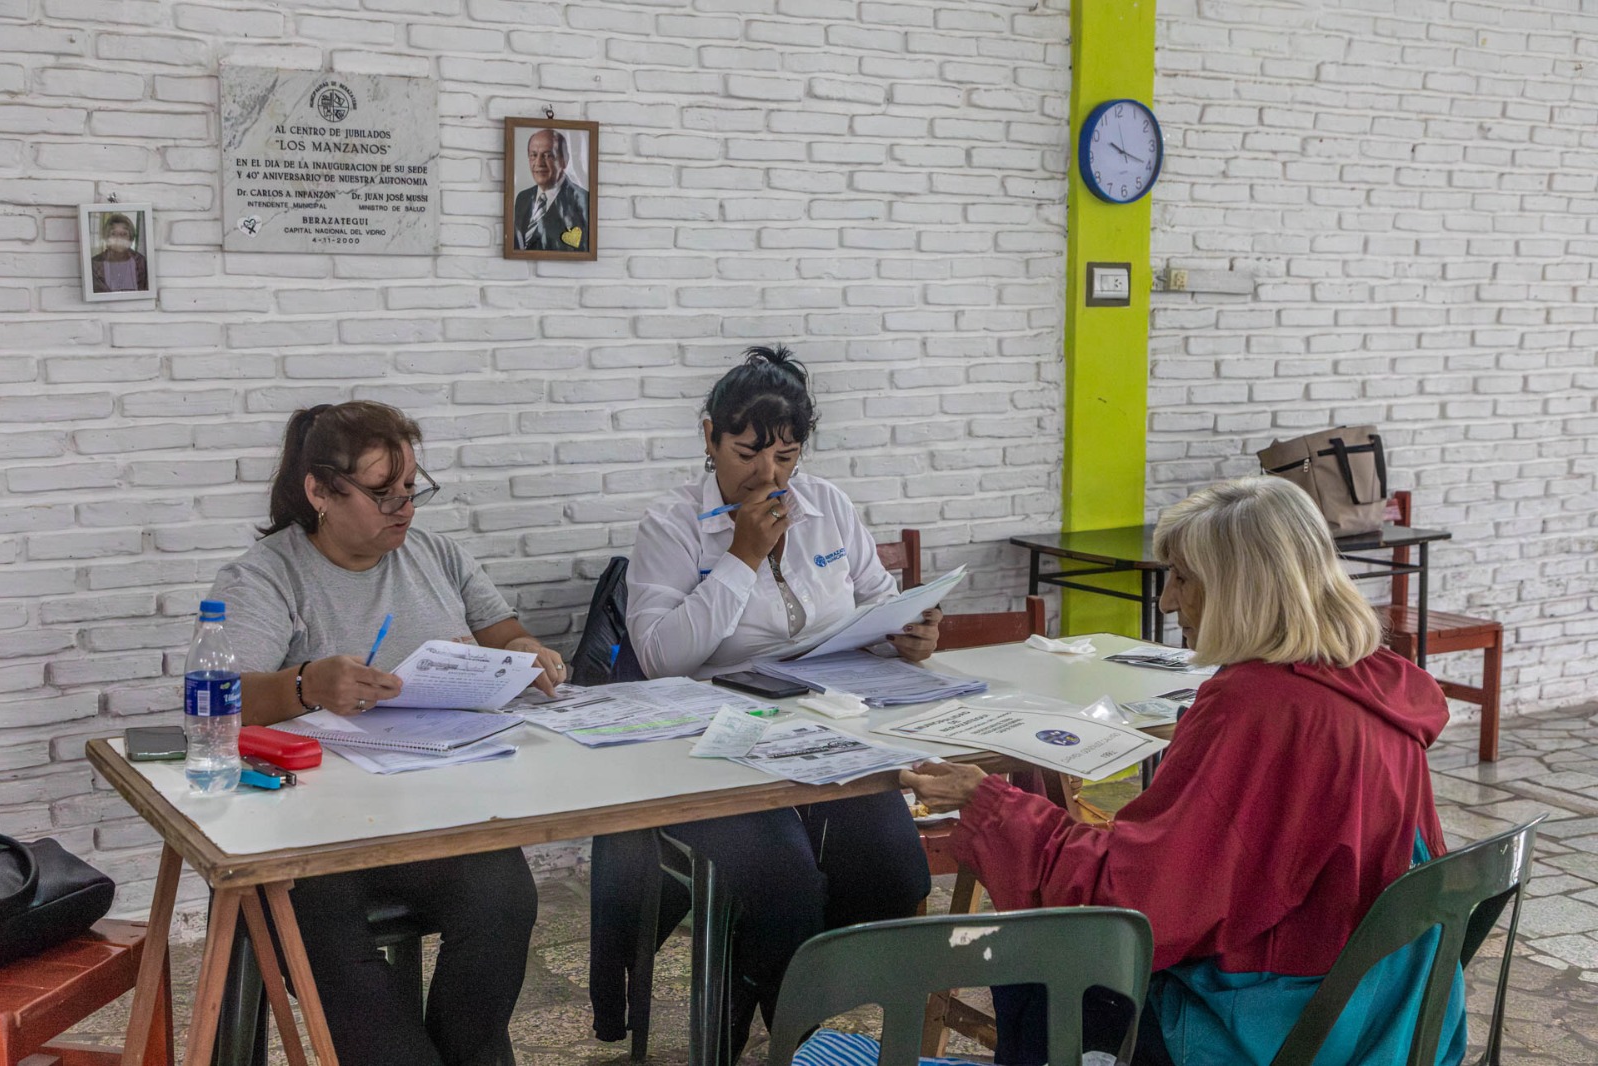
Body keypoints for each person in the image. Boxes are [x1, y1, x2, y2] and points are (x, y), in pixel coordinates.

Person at [902, 476, 1465, 1066]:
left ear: (1238, 588)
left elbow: (1138, 905)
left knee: (1033, 959)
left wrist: (991, 804)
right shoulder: (1374, 678)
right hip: (1384, 1002)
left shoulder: (1257, 705)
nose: (1168, 602)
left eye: (1183, 579)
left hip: (1285, 1024)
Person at [209, 400, 564, 1066]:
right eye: (381, 494)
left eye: (411, 490)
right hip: (309, 833)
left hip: (430, 808)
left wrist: (530, 654)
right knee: (335, 957)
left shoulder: (434, 555)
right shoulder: (265, 576)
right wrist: (304, 684)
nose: (403, 509)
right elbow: (218, 699)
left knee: (503, 897)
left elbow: (506, 635)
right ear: (319, 491)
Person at [624, 345, 943, 1058]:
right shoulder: (670, 526)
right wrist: (738, 557)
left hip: (828, 733)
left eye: (787, 458)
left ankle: (784, 1000)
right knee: (784, 887)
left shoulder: (827, 506)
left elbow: (877, 603)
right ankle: (795, 1035)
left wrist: (906, 636)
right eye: (746, 454)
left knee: (896, 871)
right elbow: (660, 656)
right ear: (709, 437)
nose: (768, 477)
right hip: (714, 747)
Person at [513, 128, 588, 252]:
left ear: (565, 160)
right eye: (533, 155)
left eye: (548, 155)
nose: (538, 163)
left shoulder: (584, 201)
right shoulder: (522, 198)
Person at [90, 212, 149, 293]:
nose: (119, 238)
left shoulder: (142, 262)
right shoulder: (94, 264)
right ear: (107, 239)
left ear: (131, 239)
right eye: (114, 233)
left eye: (124, 234)